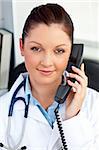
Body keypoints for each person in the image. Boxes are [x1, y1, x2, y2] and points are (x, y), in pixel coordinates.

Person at [0, 3, 99, 150]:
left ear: (72, 53)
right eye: (36, 49)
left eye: (59, 51)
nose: (47, 62)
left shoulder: (94, 105)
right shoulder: (3, 111)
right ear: (22, 47)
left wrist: (73, 117)